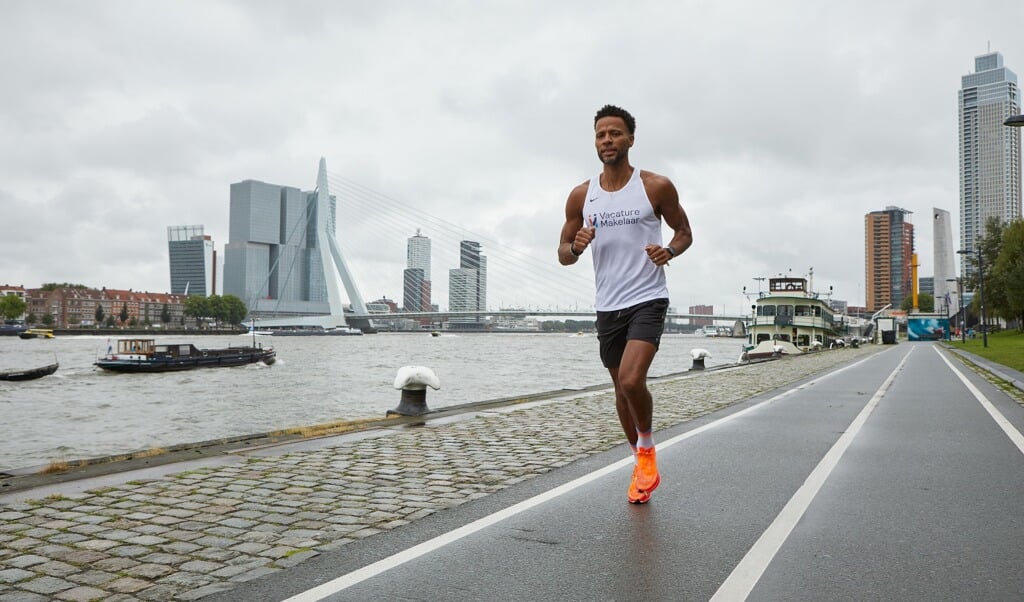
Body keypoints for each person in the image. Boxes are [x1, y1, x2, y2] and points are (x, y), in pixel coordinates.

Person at [558, 104, 693, 504]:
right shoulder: (583, 195)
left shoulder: (655, 186)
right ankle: (639, 465)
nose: (607, 140)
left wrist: (669, 251)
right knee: (620, 389)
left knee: (633, 380)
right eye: (601, 134)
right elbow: (563, 252)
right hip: (608, 305)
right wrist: (575, 247)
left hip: (647, 298)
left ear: (630, 139)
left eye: (615, 133)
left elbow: (684, 231)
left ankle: (647, 450)